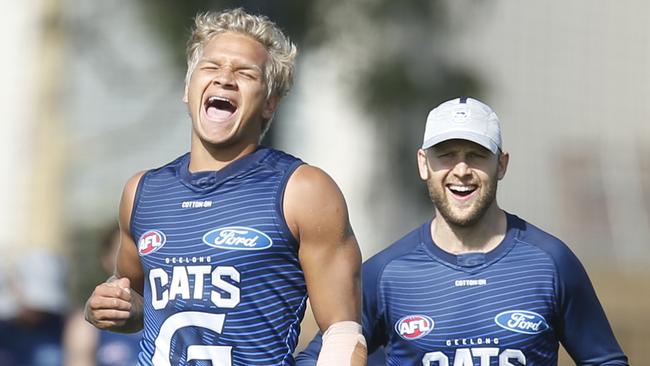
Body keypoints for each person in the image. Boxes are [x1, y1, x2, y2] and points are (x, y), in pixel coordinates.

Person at [84, 8, 366, 366]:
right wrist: (108, 307)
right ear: (188, 90)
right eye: (212, 67)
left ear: (270, 103)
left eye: (245, 73)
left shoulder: (303, 189)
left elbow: (343, 337)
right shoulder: (142, 191)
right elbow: (137, 303)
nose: (225, 79)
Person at [297, 97, 629, 365]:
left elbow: (605, 361)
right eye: (447, 155)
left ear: (501, 164)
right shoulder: (387, 274)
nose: (461, 170)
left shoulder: (551, 263)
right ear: (423, 164)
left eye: (476, 155)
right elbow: (325, 355)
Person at [64, 224, 141, 366]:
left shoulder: (173, 311)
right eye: (123, 252)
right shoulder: (85, 326)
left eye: (138, 249)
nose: (133, 258)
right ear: (106, 259)